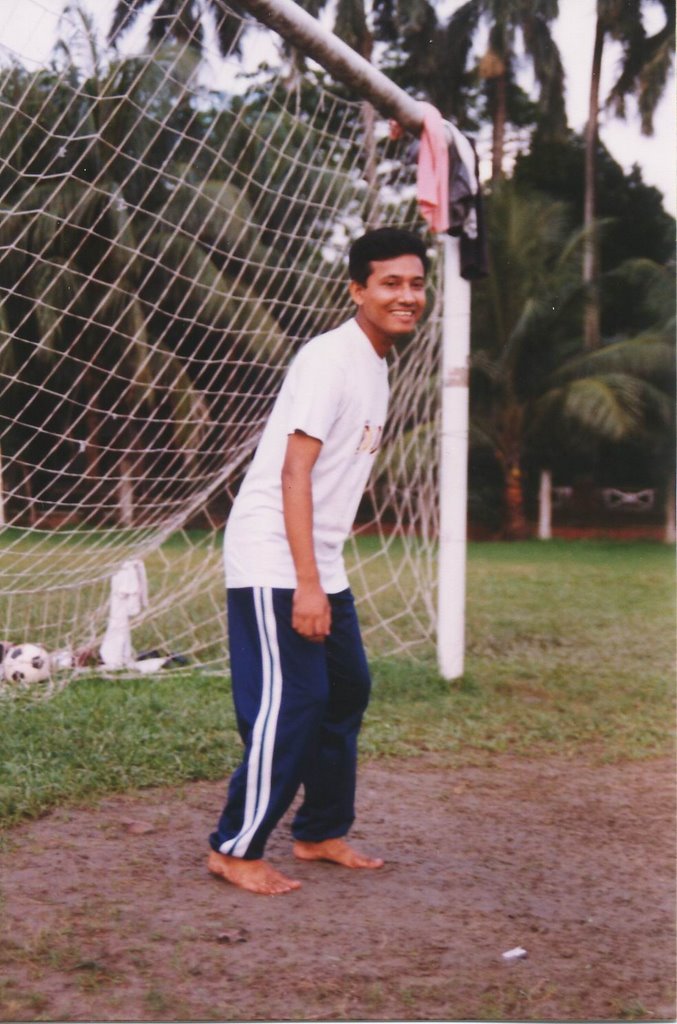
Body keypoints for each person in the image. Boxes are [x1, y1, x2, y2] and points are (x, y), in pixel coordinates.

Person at [208, 227, 429, 895]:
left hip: (315, 562)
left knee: (346, 691)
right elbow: (292, 475)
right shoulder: (327, 358)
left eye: (416, 283)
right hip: (273, 559)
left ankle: (319, 831)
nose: (407, 296)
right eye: (390, 283)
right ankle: (234, 848)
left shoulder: (375, 362)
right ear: (356, 289)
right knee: (295, 700)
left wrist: (321, 574)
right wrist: (307, 585)